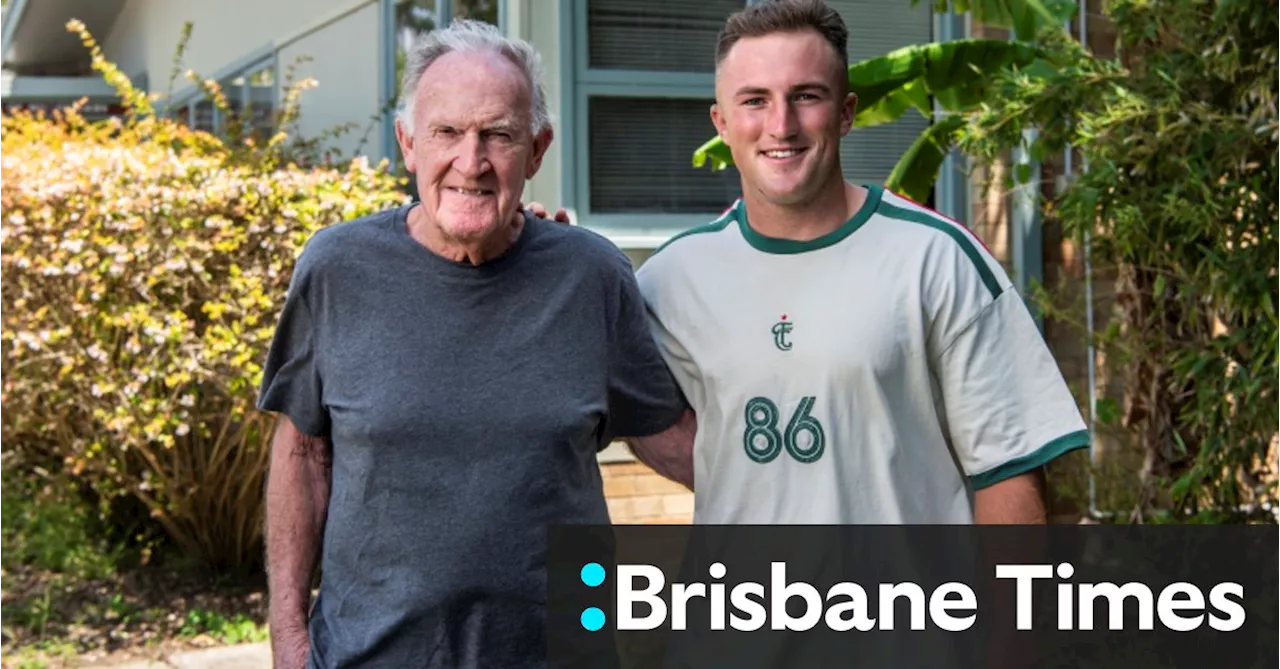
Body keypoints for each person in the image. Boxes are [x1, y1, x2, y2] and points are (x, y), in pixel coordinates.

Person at [536, 0, 1088, 526]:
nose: (781, 124)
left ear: (846, 113)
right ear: (721, 122)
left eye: (806, 96)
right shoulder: (672, 279)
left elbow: (1010, 473)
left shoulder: (935, 260)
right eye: (754, 100)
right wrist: (537, 263)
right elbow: (624, 393)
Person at [256, 20, 692, 669]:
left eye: (498, 135)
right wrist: (289, 642)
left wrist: (821, 485)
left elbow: (669, 437)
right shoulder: (336, 269)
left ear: (537, 150)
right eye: (447, 132)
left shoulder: (591, 276)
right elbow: (302, 456)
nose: (472, 161)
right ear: (408, 142)